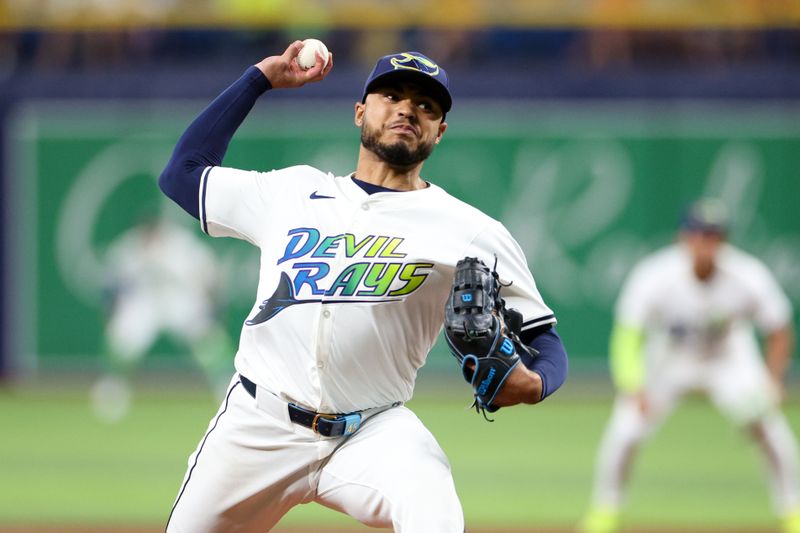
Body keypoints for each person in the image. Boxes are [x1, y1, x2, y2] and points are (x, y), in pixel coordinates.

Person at [158, 41, 568, 532]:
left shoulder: (470, 231)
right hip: (256, 424)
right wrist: (260, 78)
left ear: (440, 130)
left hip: (372, 430)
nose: (407, 109)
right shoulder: (291, 193)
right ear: (360, 112)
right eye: (391, 96)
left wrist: (537, 382)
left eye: (426, 105)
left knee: (434, 510)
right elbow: (182, 173)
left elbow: (545, 339)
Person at [579, 198, 800, 533]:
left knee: (772, 431)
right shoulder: (656, 274)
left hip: (728, 358)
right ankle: (604, 512)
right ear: (683, 237)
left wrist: (772, 380)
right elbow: (628, 334)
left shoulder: (747, 274)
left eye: (714, 235)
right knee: (625, 431)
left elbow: (779, 328)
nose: (706, 243)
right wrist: (632, 384)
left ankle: (793, 512)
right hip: (669, 359)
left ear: (723, 240)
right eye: (699, 234)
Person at [90, 212, 233, 422]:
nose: (149, 237)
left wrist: (213, 307)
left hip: (178, 298)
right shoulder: (129, 247)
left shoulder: (181, 245)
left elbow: (210, 275)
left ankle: (226, 387)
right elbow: (111, 286)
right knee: (122, 338)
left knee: (208, 340)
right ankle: (113, 389)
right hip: (145, 301)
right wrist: (111, 312)